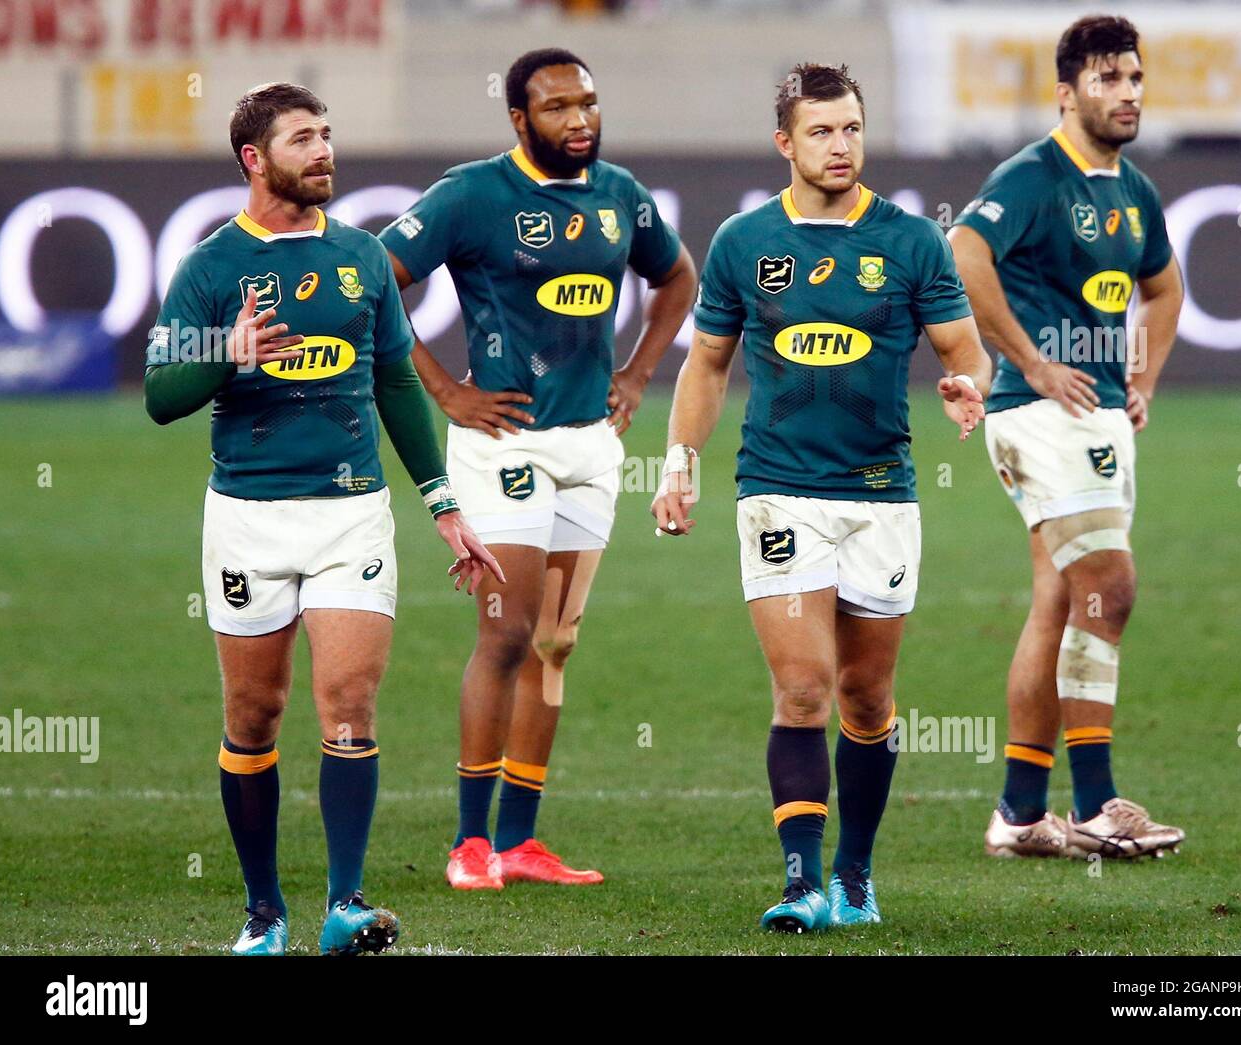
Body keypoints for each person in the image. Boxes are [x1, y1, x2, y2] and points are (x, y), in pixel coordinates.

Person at [144, 82, 500, 954]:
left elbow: (394, 381)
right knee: (255, 714)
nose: (325, 151)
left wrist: (443, 504)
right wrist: (228, 353)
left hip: (352, 515)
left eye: (328, 135)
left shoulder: (362, 259)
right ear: (253, 160)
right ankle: (264, 911)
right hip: (248, 516)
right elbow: (160, 395)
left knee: (349, 703)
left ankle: (346, 904)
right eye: (304, 139)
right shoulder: (211, 268)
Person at [651, 64, 990, 931]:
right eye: (821, 132)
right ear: (785, 143)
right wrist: (679, 460)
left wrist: (966, 384)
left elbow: (964, 348)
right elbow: (708, 363)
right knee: (802, 688)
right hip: (778, 489)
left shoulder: (914, 241)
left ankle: (854, 874)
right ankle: (801, 885)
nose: (840, 147)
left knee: (867, 700)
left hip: (882, 493)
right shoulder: (742, 241)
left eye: (851, 129)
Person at [380, 49, 697, 889]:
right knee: (507, 632)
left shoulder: (620, 194)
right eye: (557, 107)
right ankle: (468, 844)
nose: (579, 120)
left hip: (591, 448)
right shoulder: (473, 194)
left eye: (588, 102)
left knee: (556, 642)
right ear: (519, 120)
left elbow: (678, 279)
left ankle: (520, 842)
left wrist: (636, 374)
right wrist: (446, 388)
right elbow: (371, 281)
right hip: (505, 446)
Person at [948, 14, 1186, 860]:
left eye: (1133, 77)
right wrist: (1033, 361)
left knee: (1061, 597)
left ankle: (1017, 814)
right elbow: (964, 250)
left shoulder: (1132, 189)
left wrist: (1145, 376)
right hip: (1038, 413)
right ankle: (1095, 803)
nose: (1125, 93)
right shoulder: (1035, 176)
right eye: (1106, 78)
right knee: (1109, 588)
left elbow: (1164, 287)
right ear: (1066, 90)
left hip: (1097, 415)